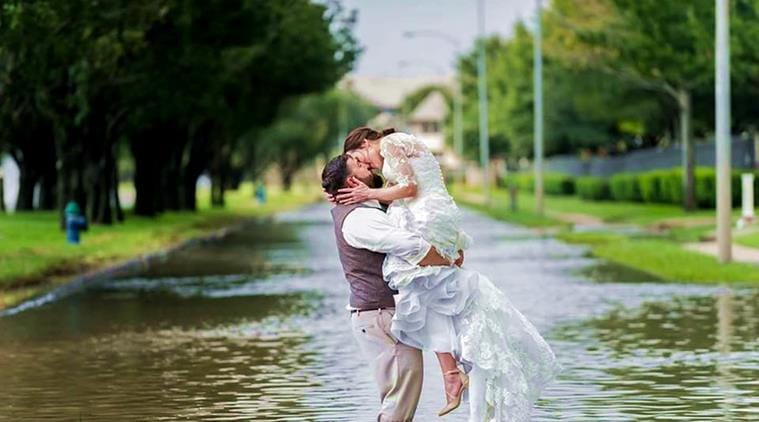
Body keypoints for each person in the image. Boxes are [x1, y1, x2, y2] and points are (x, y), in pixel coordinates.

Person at [332, 127, 561, 420]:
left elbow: (410, 188)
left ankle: (452, 374)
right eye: (359, 166)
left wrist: (367, 192)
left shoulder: (390, 146)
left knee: (428, 291)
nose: (368, 166)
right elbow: (397, 206)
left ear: (364, 142)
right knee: (431, 293)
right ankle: (452, 374)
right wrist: (346, 194)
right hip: (417, 225)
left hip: (425, 211)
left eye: (360, 158)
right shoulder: (363, 205)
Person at [322, 153, 456, 422]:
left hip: (381, 315)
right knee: (399, 401)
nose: (368, 164)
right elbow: (411, 246)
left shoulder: (369, 209)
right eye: (360, 165)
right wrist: (449, 259)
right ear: (351, 179)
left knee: (399, 398)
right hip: (381, 316)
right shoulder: (359, 218)